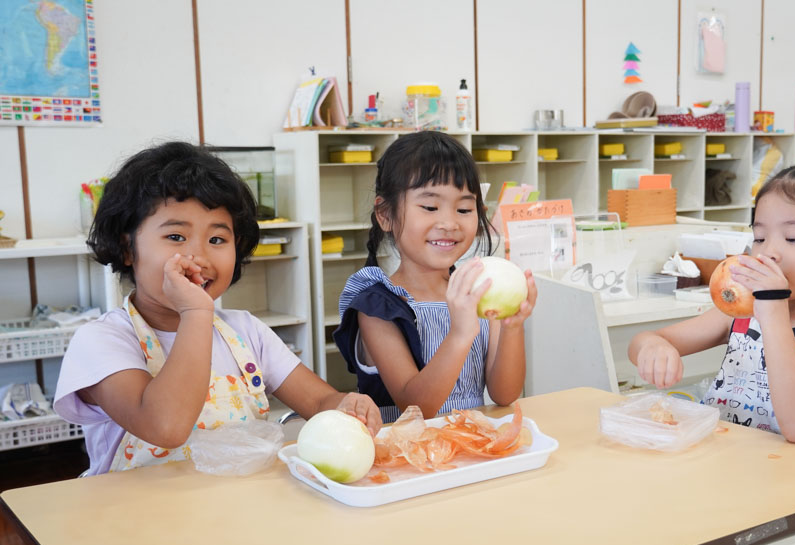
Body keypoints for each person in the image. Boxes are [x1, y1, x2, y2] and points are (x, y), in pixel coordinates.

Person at [54, 141, 380, 475]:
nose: (199, 256)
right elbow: (165, 427)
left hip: (234, 509)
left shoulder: (246, 331)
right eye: (176, 237)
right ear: (127, 248)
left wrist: (345, 406)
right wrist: (195, 314)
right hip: (137, 518)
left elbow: (317, 401)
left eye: (217, 240)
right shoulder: (100, 341)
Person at [628, 164, 795, 452]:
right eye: (759, 238)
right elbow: (642, 341)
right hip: (736, 468)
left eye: (793, 238)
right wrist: (653, 348)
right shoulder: (742, 314)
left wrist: (773, 314)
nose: (767, 251)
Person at [334, 131, 537, 422]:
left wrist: (512, 327)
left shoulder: (477, 291)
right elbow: (416, 408)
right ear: (385, 214)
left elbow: (505, 394)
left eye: (464, 209)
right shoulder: (377, 307)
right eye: (430, 207)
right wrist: (461, 333)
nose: (449, 223)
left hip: (467, 450)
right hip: (405, 458)